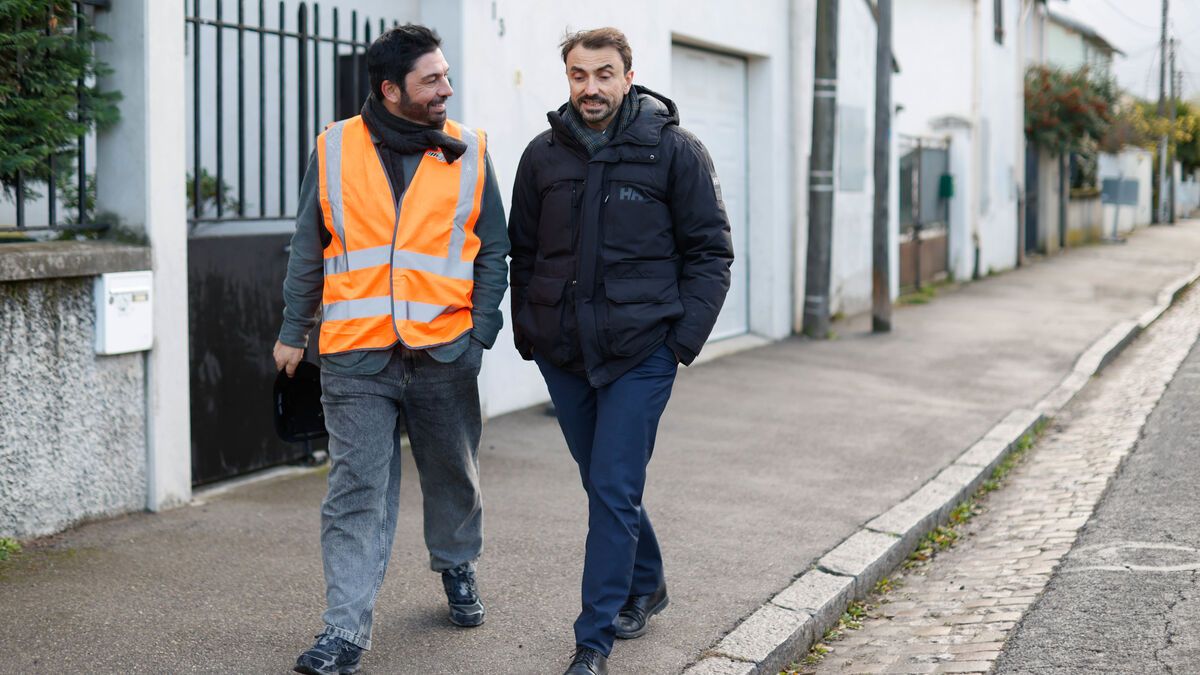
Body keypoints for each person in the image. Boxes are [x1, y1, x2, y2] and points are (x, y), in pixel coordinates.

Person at [272, 23, 509, 675]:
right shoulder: (335, 147)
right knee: (354, 488)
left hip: (443, 351)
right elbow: (307, 246)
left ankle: (457, 562)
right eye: (432, 80)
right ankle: (343, 629)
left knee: (452, 473)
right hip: (355, 355)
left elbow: (493, 247)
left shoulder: (469, 149)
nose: (447, 89)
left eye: (446, 76)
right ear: (390, 89)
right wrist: (294, 330)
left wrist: (478, 332)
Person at [508, 27, 734, 675]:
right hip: (565, 351)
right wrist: (531, 330)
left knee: (610, 484)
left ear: (628, 77)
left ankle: (593, 640)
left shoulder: (674, 152)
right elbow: (523, 251)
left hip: (642, 351)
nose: (591, 88)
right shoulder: (542, 157)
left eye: (604, 74)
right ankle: (647, 582)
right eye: (579, 75)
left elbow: (711, 253)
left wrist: (679, 342)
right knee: (607, 483)